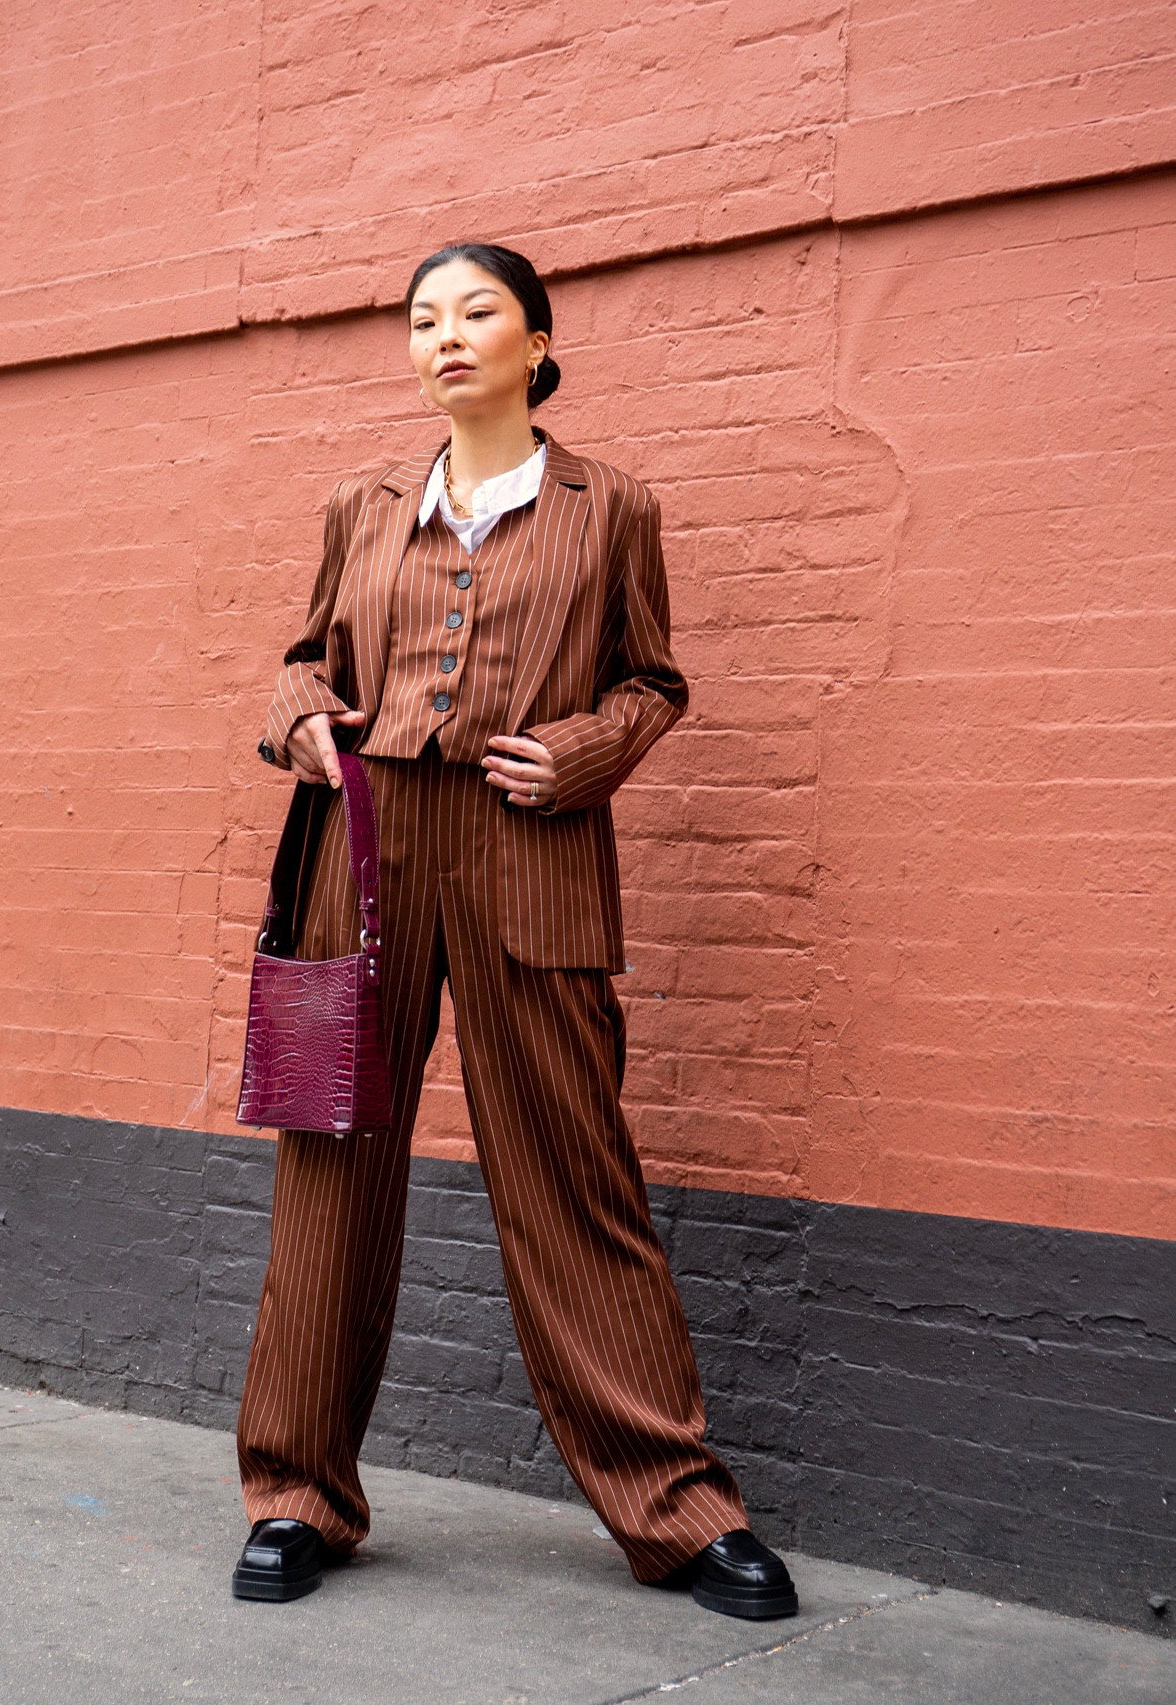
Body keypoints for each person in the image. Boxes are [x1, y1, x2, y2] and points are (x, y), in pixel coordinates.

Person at [233, 242, 798, 1621]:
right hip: (368, 858)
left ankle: (674, 1505)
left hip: (528, 850)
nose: (446, 336)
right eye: (423, 318)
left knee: (571, 1169)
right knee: (333, 1167)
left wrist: (588, 751)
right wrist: (298, 719)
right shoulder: (362, 504)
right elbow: (303, 659)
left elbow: (654, 680)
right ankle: (297, 1491)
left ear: (538, 341)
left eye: (477, 311)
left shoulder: (613, 508)